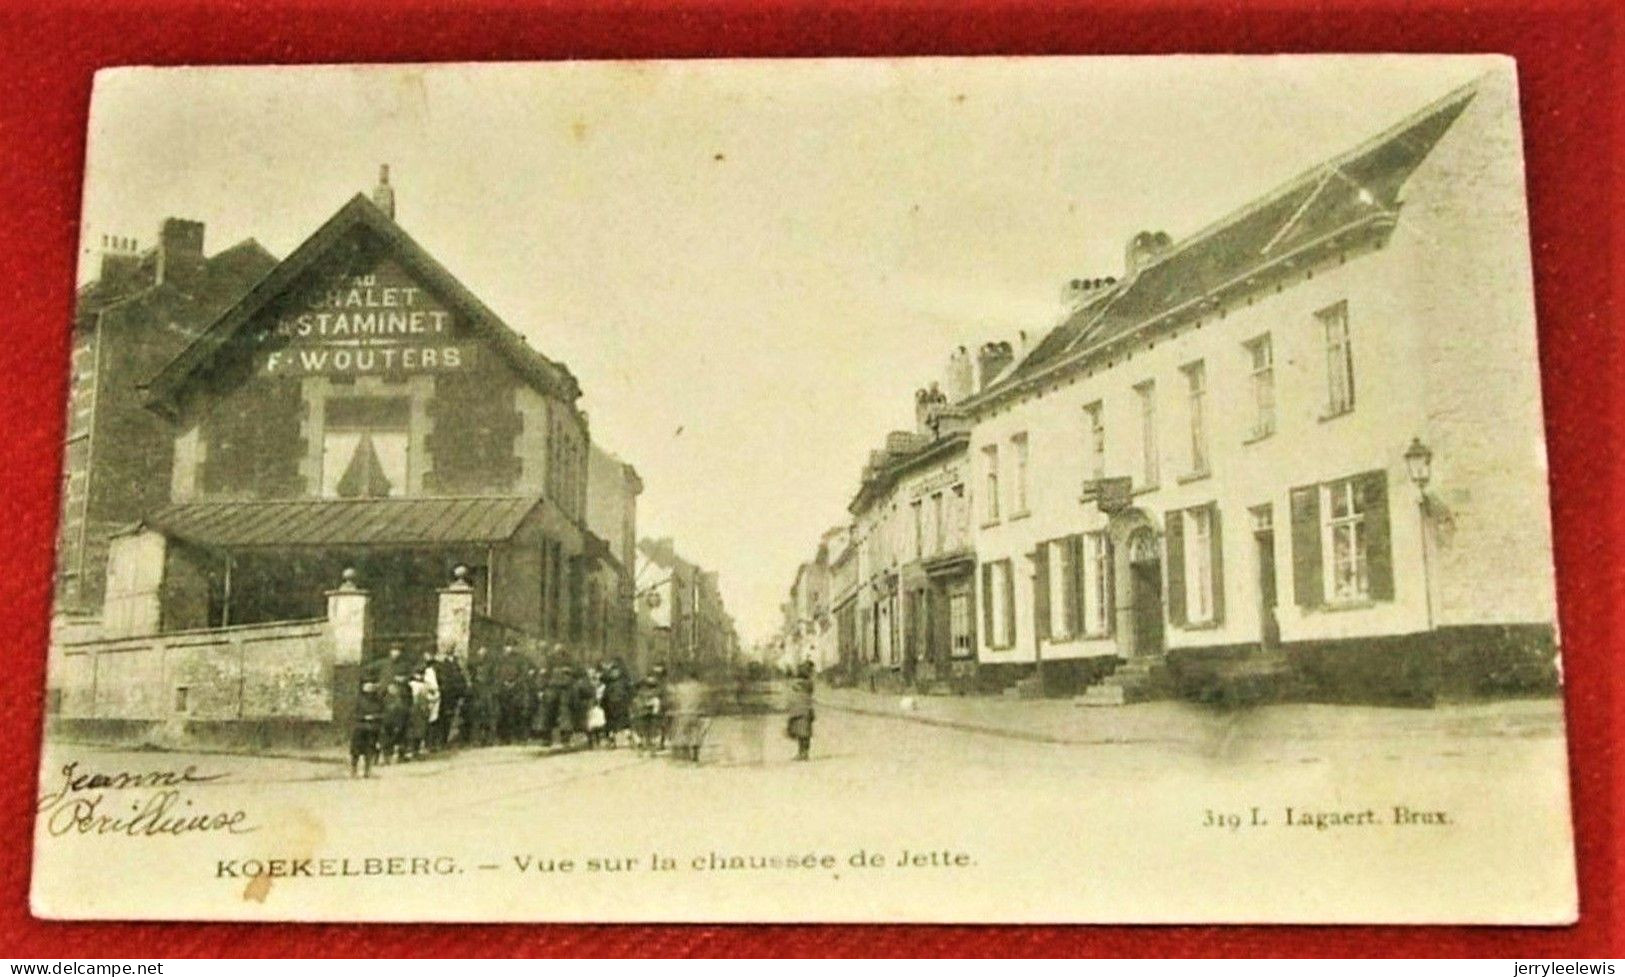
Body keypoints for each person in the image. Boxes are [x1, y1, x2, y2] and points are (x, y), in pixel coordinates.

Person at [668, 667, 708, 763]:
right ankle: (695, 752)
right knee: (696, 733)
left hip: (683, 714)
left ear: (687, 678)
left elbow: (674, 701)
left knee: (681, 731)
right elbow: (705, 702)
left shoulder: (680, 688)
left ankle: (682, 753)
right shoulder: (702, 688)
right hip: (697, 714)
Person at [433, 645, 468, 749]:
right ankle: (443, 740)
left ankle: (448, 740)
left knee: (453, 717)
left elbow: (462, 678)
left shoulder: (457, 664)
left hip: (456, 693)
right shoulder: (443, 665)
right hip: (446, 694)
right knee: (445, 717)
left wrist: (462, 690)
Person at [350, 679, 384, 778]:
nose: (370, 690)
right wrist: (363, 717)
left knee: (370, 750)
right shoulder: (359, 701)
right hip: (360, 728)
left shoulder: (378, 701)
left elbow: (382, 714)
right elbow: (353, 714)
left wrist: (375, 717)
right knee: (356, 751)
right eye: (367, 687)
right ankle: (354, 770)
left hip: (372, 729)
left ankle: (367, 771)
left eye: (372, 688)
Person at [787, 660, 816, 761]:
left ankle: (802, 753)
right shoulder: (809, 684)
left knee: (801, 734)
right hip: (805, 710)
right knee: (805, 734)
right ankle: (804, 753)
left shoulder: (797, 684)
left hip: (798, 710)